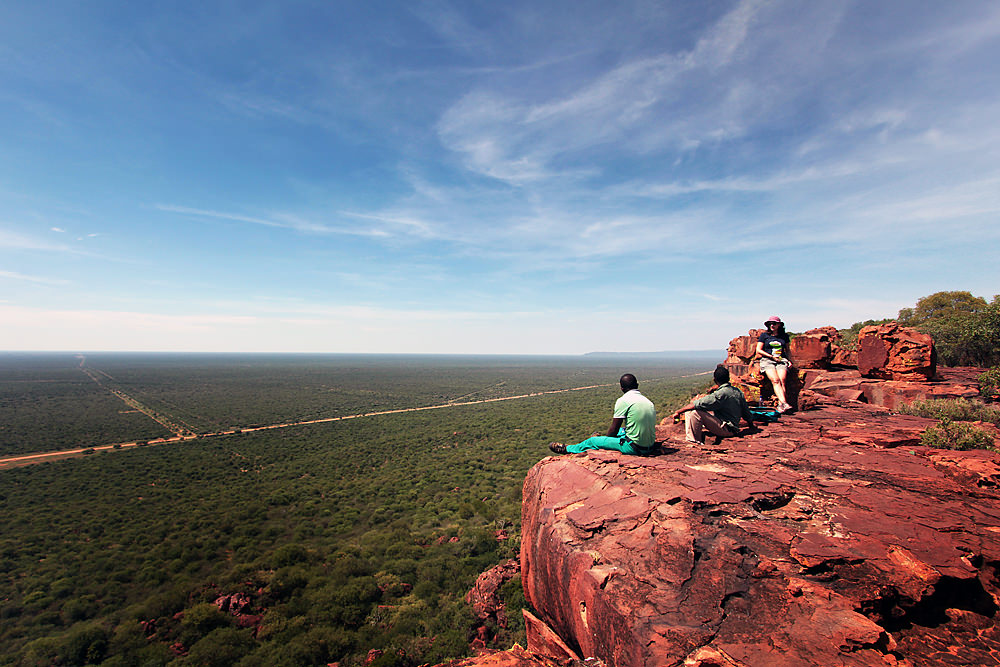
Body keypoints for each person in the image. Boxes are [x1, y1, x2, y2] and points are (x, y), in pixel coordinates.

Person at [549, 373, 657, 456]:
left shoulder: (624, 400)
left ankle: (567, 449)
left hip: (633, 448)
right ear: (637, 385)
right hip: (649, 446)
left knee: (593, 441)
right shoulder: (648, 401)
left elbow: (614, 430)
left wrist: (605, 442)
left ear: (622, 388)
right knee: (622, 431)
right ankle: (600, 439)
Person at [670, 365, 758, 445]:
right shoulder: (738, 392)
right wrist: (751, 426)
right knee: (697, 411)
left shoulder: (721, 394)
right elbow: (746, 412)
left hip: (726, 429)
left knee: (694, 412)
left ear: (715, 380)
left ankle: (693, 441)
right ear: (728, 378)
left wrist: (678, 412)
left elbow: (697, 404)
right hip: (732, 428)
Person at [756, 315, 793, 412]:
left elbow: (788, 350)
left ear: (779, 325)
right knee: (775, 380)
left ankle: (781, 405)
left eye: (774, 323)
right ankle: (784, 403)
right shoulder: (764, 336)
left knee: (782, 380)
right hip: (768, 360)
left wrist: (789, 360)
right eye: (770, 324)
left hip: (781, 360)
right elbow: (758, 350)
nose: (772, 325)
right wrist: (771, 357)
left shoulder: (784, 336)